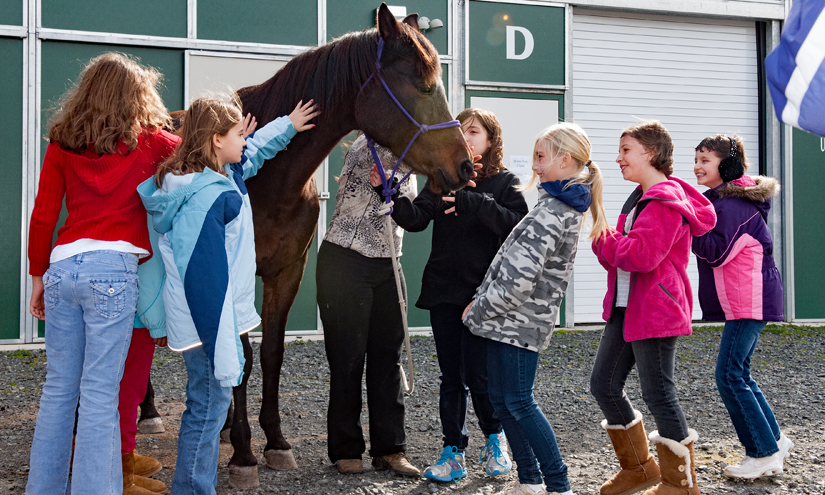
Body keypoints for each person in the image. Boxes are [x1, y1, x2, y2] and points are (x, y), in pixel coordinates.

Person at [138, 96, 318, 494]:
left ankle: (193, 485)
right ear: (216, 141)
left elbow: (253, 153)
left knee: (206, 403)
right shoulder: (206, 197)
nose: (246, 139)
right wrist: (224, 343)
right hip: (210, 322)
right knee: (207, 407)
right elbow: (202, 277)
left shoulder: (214, 177)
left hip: (210, 318)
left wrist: (287, 124)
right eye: (238, 133)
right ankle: (193, 488)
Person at [26, 52, 179, 494]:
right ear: (138, 96)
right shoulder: (151, 143)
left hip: (63, 268)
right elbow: (201, 154)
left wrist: (38, 277)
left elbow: (42, 216)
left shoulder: (61, 143)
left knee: (58, 391)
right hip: (111, 272)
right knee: (98, 396)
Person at [463, 122, 609, 495]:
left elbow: (519, 280)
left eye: (541, 157)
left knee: (518, 402)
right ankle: (529, 480)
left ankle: (557, 484)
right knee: (503, 399)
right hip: (506, 322)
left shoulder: (555, 211)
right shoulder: (553, 205)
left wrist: (477, 311)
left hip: (516, 324)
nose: (535, 166)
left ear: (566, 159)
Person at [388, 108, 528, 482]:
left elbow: (517, 225)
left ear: (491, 139)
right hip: (444, 293)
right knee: (452, 377)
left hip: (485, 296)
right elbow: (415, 219)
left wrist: (476, 203)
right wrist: (386, 193)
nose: (466, 138)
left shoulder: (504, 183)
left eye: (475, 131)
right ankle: (453, 452)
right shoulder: (442, 180)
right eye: (460, 132)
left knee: (480, 376)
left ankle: (496, 441)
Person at [589, 120, 716, 495]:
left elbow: (642, 256)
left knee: (658, 393)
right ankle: (640, 469)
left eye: (626, 150)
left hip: (657, 309)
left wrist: (603, 238)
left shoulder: (664, 200)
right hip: (628, 308)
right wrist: (608, 242)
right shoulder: (641, 199)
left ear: (650, 153)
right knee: (604, 384)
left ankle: (681, 484)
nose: (618, 158)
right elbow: (622, 256)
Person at [317, 135, 421, 477]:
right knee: (347, 358)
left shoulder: (413, 149)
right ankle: (346, 449)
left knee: (388, 358)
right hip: (346, 259)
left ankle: (390, 449)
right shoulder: (368, 146)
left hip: (390, 262)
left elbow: (414, 213)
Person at [691, 134, 792, 479]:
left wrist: (687, 223)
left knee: (729, 375)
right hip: (747, 299)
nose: (698, 166)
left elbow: (715, 251)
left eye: (706, 159)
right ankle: (774, 441)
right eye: (697, 159)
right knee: (740, 373)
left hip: (751, 300)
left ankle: (762, 453)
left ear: (728, 165)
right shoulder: (724, 202)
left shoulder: (733, 206)